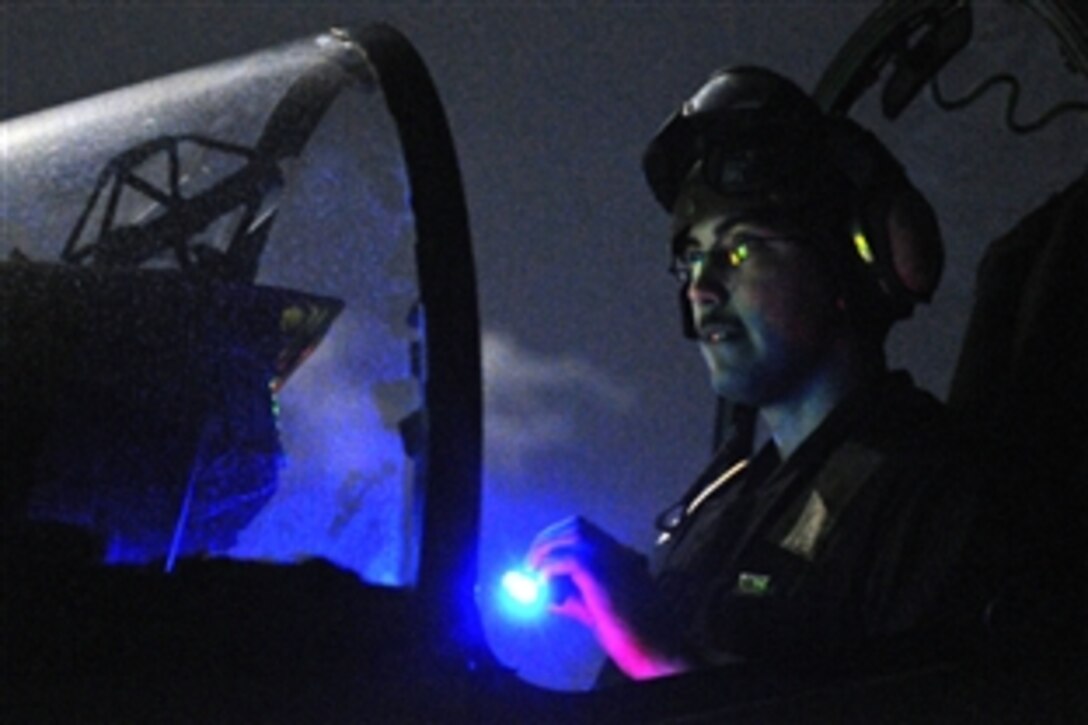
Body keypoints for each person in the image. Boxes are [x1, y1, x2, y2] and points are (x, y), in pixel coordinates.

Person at [527, 66, 1064, 683]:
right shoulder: (724, 501)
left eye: (739, 249)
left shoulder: (935, 497)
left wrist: (658, 659)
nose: (701, 288)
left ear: (852, 258)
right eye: (692, 259)